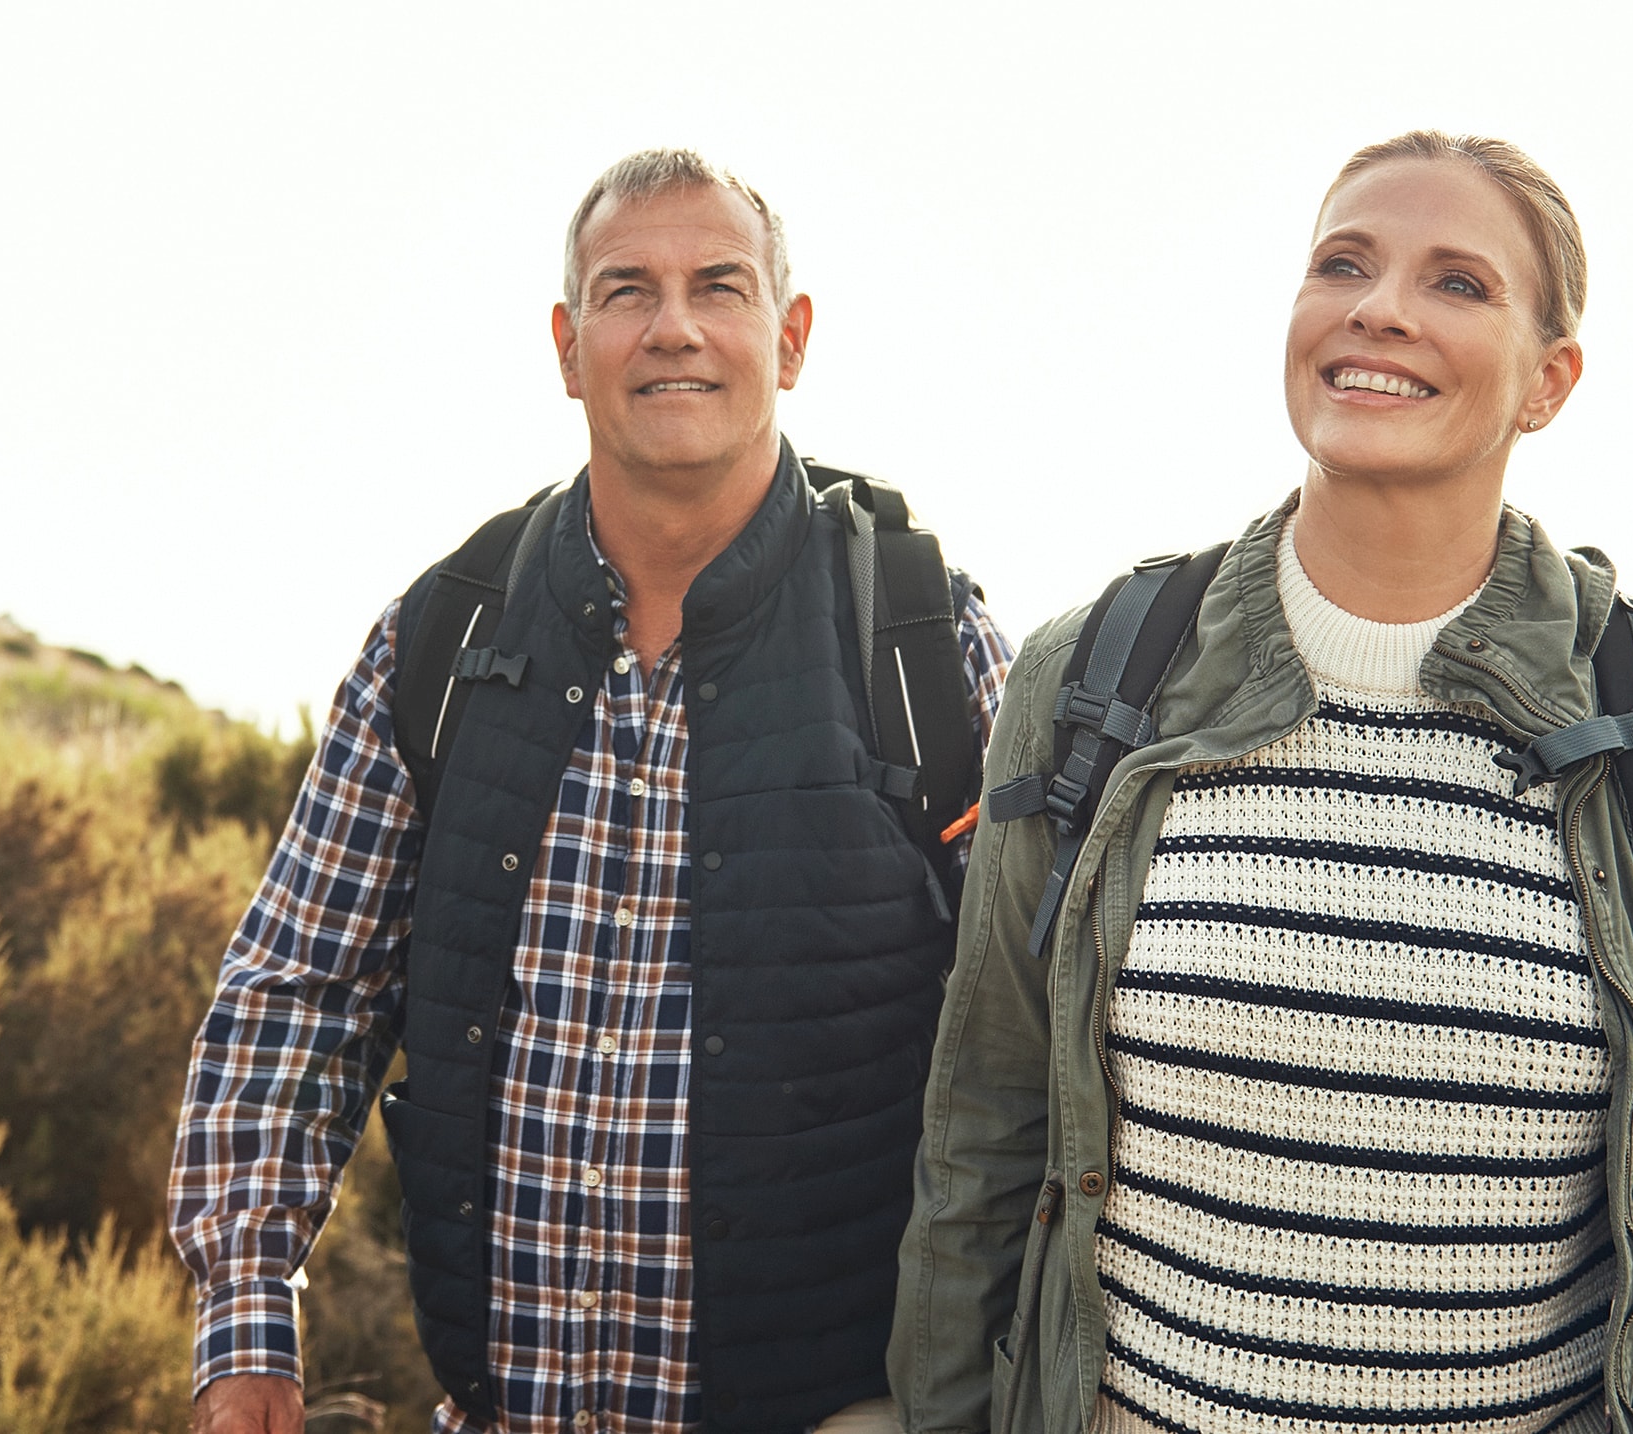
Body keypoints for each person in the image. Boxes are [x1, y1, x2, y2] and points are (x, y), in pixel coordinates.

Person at [889, 131, 1633, 1434]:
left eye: (1456, 282)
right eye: (1341, 264)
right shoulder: (1094, 680)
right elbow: (979, 1144)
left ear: (1547, 381)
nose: (1380, 308)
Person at [171, 148, 1011, 1434]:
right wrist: (246, 1321)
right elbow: (300, 990)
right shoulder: (443, 634)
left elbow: (1037, 1040)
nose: (673, 327)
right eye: (627, 291)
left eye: (717, 286)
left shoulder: (920, 639)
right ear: (569, 349)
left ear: (788, 339)